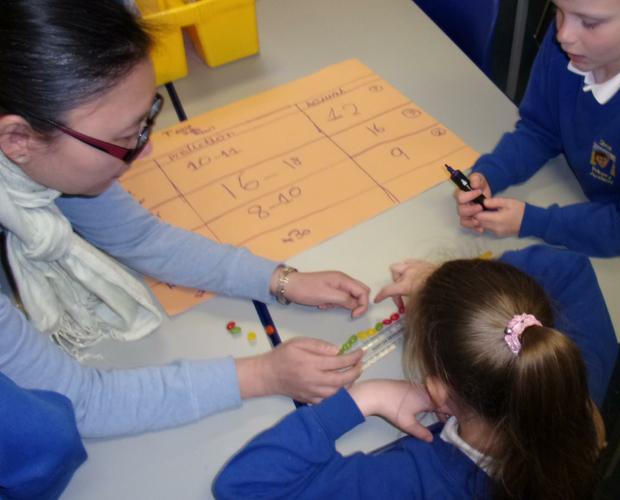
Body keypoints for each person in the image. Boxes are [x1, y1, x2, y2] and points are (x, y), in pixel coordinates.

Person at [0, 0, 368, 495]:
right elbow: (76, 401)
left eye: (147, 117)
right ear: (18, 139)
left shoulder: (42, 155)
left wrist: (279, 279)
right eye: (124, 136)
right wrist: (262, 375)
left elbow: (139, 237)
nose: (146, 148)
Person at [213, 244, 618, 500]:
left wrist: (364, 398)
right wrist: (460, 294)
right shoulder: (571, 393)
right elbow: (570, 268)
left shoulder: (411, 481)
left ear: (437, 391)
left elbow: (244, 485)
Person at [455, 0, 620, 257]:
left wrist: (532, 221)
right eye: (558, 10)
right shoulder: (575, 43)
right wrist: (493, 173)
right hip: (583, 192)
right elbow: (541, 129)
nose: (563, 35)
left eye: (590, 23)